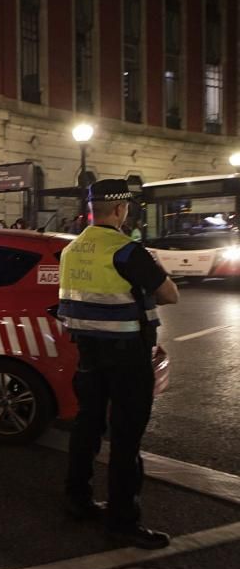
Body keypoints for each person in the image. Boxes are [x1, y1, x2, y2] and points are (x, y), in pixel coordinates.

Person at [58, 179, 180, 550]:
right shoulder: (127, 251)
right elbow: (170, 294)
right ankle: (122, 522)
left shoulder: (71, 250)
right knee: (126, 439)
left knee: (87, 427)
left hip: (89, 355)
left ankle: (77, 500)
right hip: (127, 357)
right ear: (120, 209)